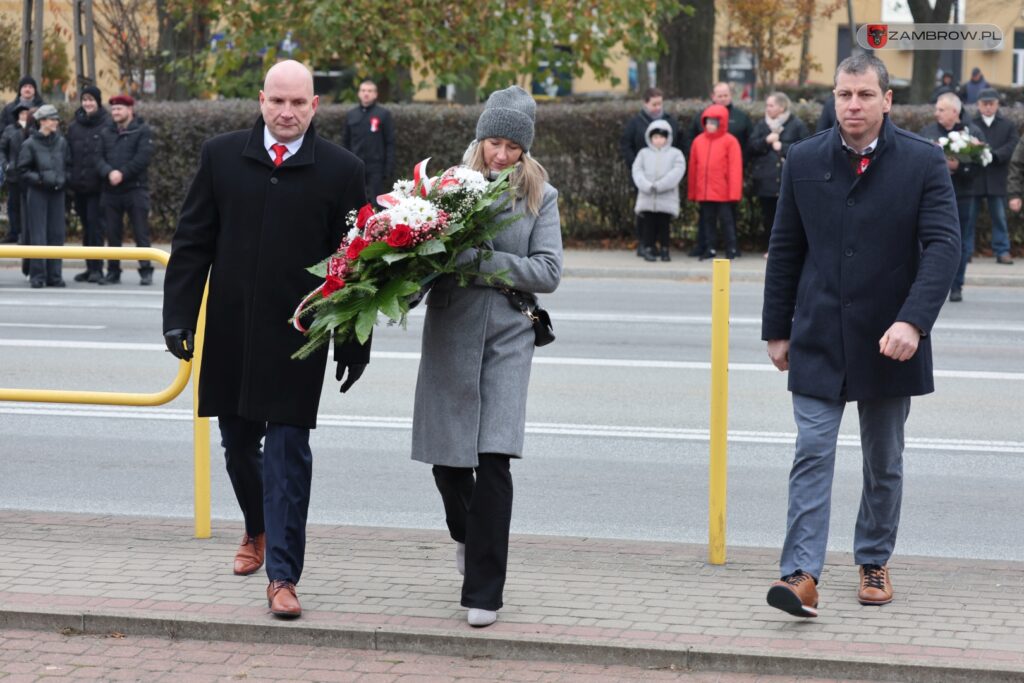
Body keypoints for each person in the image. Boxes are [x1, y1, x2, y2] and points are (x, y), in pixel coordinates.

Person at [162, 60, 370, 620]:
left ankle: (282, 574)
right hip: (230, 330)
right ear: (260, 100)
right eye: (277, 101)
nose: (286, 112)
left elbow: (355, 269)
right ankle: (254, 528)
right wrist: (178, 315)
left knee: (287, 455)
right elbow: (192, 243)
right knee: (237, 448)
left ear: (314, 106)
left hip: (298, 338)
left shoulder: (342, 170)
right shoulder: (221, 156)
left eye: (298, 103)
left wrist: (353, 344)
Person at [762, 53, 960, 619]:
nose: (853, 105)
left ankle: (873, 558)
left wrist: (914, 320)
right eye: (844, 94)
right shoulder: (802, 159)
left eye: (865, 95)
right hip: (819, 333)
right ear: (834, 97)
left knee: (884, 460)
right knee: (812, 452)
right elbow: (786, 250)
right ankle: (800, 574)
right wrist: (777, 329)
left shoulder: (922, 162)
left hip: (890, 338)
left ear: (887, 99)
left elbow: (945, 247)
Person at [412, 85, 563, 629]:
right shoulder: (447, 188)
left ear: (525, 150)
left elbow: (548, 271)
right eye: (493, 142)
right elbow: (419, 254)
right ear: (480, 139)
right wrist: (397, 287)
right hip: (451, 331)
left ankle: (484, 593)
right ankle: (467, 537)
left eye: (512, 146)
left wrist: (484, 261)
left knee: (494, 459)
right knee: (448, 463)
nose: (501, 154)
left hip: (507, 336)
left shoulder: (540, 196)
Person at [919, 92, 987, 302]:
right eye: (937, 109)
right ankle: (929, 286)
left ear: (955, 112)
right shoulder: (927, 132)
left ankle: (957, 285)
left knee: (961, 241)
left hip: (963, 195)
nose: (936, 113)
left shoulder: (973, 133)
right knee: (926, 242)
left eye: (941, 109)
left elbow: (980, 165)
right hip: (931, 197)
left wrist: (959, 166)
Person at [686, 83, 751, 256]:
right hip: (705, 190)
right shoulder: (699, 141)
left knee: (727, 220)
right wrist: (693, 191)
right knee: (707, 220)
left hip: (722, 190)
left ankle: (731, 248)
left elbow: (735, 167)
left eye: (725, 95)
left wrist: (733, 192)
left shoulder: (731, 139)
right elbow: (694, 166)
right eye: (707, 122)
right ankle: (708, 247)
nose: (710, 125)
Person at [619, 87, 686, 256]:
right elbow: (626, 145)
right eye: (654, 104)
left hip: (665, 180)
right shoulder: (636, 123)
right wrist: (636, 168)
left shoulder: (670, 121)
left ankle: (661, 246)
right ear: (645, 103)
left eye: (660, 104)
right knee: (645, 215)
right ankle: (645, 245)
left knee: (662, 219)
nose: (657, 107)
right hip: (643, 178)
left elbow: (680, 144)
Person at [96, 94, 154, 285]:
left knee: (141, 232)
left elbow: (143, 158)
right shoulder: (105, 132)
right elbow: (97, 159)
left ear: (130, 110)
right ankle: (113, 271)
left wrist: (122, 173)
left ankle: (146, 270)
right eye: (113, 109)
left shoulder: (142, 130)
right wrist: (108, 172)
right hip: (111, 191)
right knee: (112, 234)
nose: (115, 112)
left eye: (119, 109)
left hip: (135, 189)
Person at [748, 92, 810, 255]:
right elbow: (751, 148)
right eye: (767, 105)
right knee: (768, 216)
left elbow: (806, 149)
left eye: (771, 105)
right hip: (766, 179)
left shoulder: (797, 125)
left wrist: (781, 147)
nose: (767, 108)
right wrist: (766, 141)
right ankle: (770, 248)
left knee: (788, 217)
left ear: (781, 107)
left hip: (787, 179)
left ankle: (788, 249)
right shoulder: (761, 125)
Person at [17, 104, 70, 289]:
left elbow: (68, 165)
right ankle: (37, 276)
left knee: (57, 234)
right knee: (38, 235)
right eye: (52, 119)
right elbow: (22, 170)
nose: (56, 122)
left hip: (57, 192)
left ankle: (55, 276)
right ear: (42, 121)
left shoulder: (61, 142)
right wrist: (40, 179)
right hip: (38, 192)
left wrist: (64, 179)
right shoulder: (29, 144)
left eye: (56, 119)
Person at [67, 85, 112, 283]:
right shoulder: (74, 126)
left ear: (98, 102)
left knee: (96, 229)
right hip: (79, 187)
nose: (87, 103)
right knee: (86, 229)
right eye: (84, 99)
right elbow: (68, 156)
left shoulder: (107, 124)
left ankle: (97, 269)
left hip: (99, 188)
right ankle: (88, 267)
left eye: (91, 100)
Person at [970, 88, 1018, 265]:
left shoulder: (1007, 125)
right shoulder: (972, 124)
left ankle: (1002, 250)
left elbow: (1012, 144)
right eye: (985, 104)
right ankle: (966, 251)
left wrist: (994, 155)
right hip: (975, 179)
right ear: (979, 105)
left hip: (997, 177)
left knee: (999, 217)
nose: (988, 107)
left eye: (992, 104)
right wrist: (978, 153)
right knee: (968, 219)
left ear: (997, 105)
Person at [632, 120, 686, 262]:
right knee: (648, 225)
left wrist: (661, 185)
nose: (658, 140)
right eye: (655, 137)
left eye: (661, 137)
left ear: (667, 138)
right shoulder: (643, 154)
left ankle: (664, 249)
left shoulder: (675, 154)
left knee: (664, 226)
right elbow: (637, 171)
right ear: (650, 138)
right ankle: (648, 248)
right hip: (648, 197)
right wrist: (646, 185)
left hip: (666, 197)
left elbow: (677, 172)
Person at [342, 79, 394, 208]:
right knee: (355, 202)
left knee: (377, 203)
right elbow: (345, 142)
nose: (366, 94)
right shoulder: (351, 115)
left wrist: (388, 168)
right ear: (359, 93)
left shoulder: (383, 114)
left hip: (376, 167)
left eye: (370, 91)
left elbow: (390, 143)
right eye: (363, 90)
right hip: (355, 166)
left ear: (375, 94)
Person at [1, 104, 34, 244]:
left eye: (27, 113)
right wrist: (5, 164)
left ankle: (25, 234)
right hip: (13, 173)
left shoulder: (33, 130)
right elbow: (2, 149)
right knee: (13, 205)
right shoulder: (9, 130)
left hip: (28, 174)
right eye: (21, 113)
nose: (24, 115)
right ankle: (14, 232)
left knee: (28, 205)